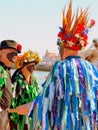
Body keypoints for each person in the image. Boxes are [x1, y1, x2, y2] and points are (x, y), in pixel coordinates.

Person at [8, 0, 98, 129]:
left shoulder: (60, 68)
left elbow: (45, 103)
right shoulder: (92, 70)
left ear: (62, 47)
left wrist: (27, 107)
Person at [9, 50, 41, 130]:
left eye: (35, 65)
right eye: (31, 66)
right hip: (18, 120)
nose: (34, 67)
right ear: (22, 68)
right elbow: (11, 103)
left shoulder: (35, 80)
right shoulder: (17, 82)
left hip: (32, 119)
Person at [0, 39, 22, 130]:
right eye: (13, 53)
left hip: (4, 116)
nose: (16, 56)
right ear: (3, 51)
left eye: (17, 54)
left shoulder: (7, 70)